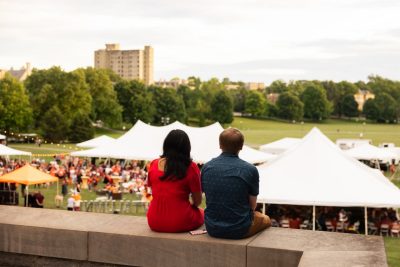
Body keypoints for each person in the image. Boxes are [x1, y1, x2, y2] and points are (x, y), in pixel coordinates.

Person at [201, 128, 271, 239]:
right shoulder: (250, 170)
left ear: (220, 145)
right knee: (266, 219)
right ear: (241, 146)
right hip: (240, 229)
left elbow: (207, 196)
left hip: (212, 228)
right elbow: (252, 206)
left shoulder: (207, 167)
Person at [146, 129, 204, 232]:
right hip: (180, 221)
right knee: (203, 213)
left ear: (166, 145)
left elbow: (152, 188)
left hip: (154, 221)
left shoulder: (154, 164)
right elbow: (197, 201)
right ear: (187, 148)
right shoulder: (191, 167)